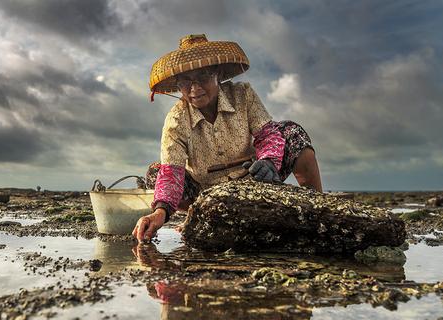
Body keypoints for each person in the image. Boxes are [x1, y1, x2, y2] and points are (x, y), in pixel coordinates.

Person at [133, 34, 322, 242]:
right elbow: (172, 173)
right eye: (186, 82)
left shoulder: (243, 94)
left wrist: (268, 161)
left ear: (218, 74)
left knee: (292, 133)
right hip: (205, 195)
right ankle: (199, 217)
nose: (195, 89)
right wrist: (160, 212)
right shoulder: (176, 120)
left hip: (254, 181)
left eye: (203, 76)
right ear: (178, 85)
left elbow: (268, 134)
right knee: (156, 172)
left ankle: (318, 208)